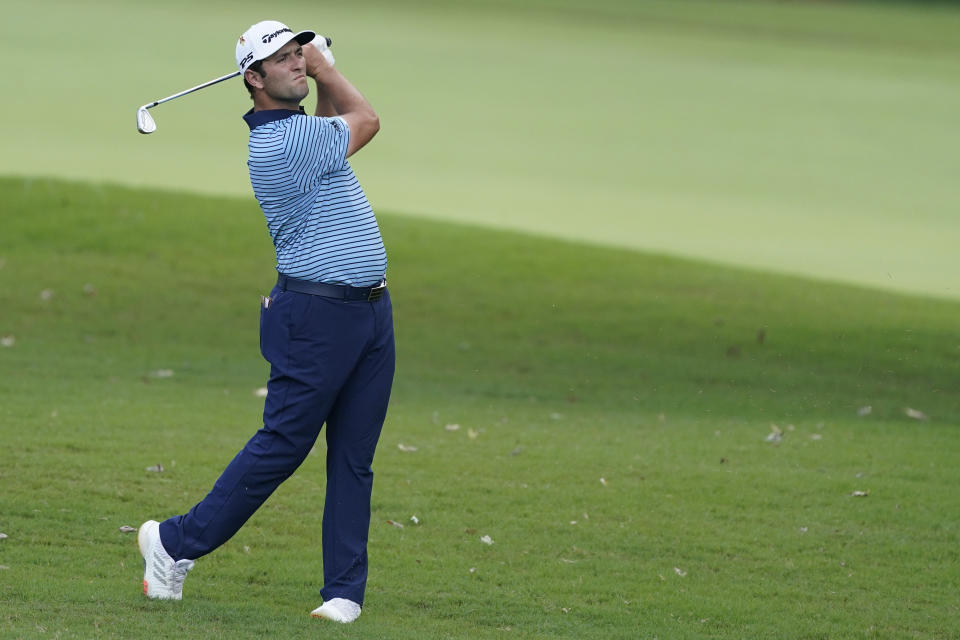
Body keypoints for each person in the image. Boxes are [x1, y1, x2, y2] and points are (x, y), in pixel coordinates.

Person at [137, 19, 393, 624]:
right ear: (253, 79)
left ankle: (343, 594)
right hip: (316, 316)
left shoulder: (302, 131)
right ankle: (172, 543)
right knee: (282, 446)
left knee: (354, 455)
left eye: (298, 53)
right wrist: (328, 66)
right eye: (283, 60)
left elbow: (335, 118)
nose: (298, 64)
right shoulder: (279, 145)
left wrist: (318, 71)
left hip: (369, 313)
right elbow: (367, 120)